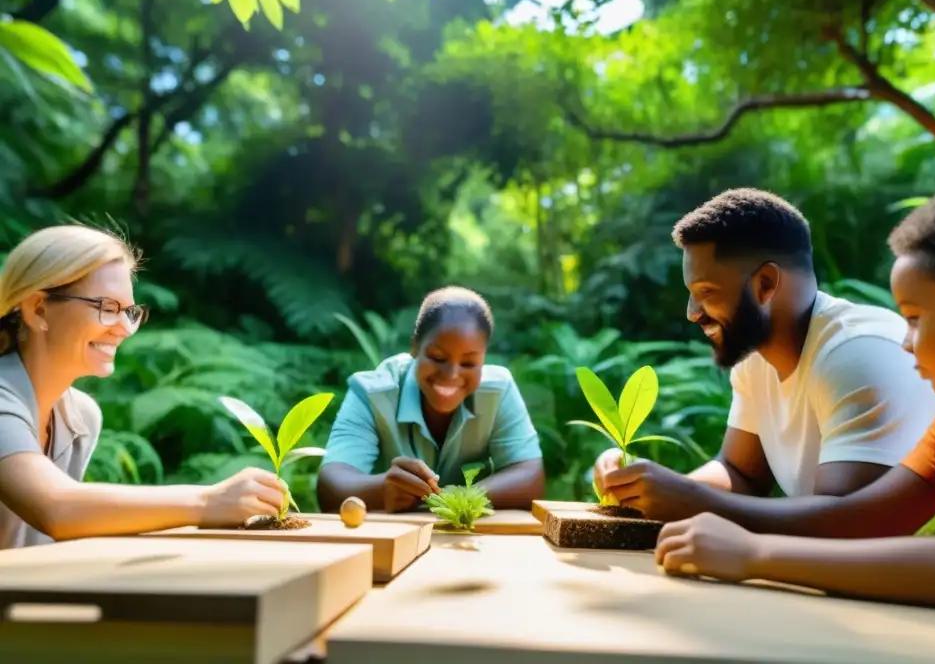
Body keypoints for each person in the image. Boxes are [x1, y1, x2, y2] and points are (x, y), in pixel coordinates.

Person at [653, 177, 935, 613]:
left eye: (915, 318)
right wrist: (693, 506)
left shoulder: (860, 350)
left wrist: (755, 554)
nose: (904, 342)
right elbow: (859, 521)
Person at [594, 188, 935, 522]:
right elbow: (741, 473)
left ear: (765, 284)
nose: (693, 312)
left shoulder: (858, 352)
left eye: (706, 291)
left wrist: (692, 499)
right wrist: (645, 488)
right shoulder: (755, 359)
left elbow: (848, 522)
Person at [0, 225, 289, 549]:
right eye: (107, 308)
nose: (125, 328)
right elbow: (56, 508)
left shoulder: (80, 416)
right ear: (37, 309)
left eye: (130, 312)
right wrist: (208, 502)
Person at [317, 285, 545, 513]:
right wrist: (381, 489)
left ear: (483, 359)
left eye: (468, 364)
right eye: (437, 358)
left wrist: (456, 499)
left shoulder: (497, 391)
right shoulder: (372, 393)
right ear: (415, 347)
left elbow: (530, 476)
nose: (451, 375)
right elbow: (330, 486)